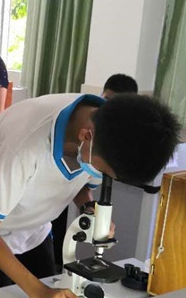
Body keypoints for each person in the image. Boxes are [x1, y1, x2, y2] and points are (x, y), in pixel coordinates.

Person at [0, 92, 180, 298]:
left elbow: (81, 181)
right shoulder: (24, 147)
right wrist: (41, 294)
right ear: (85, 136)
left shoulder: (107, 131)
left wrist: (88, 207)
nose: (101, 175)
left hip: (34, 227)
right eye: (103, 171)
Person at [51, 71, 140, 268]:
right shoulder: (72, 123)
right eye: (107, 100)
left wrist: (89, 209)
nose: (110, 111)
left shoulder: (107, 149)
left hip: (40, 227)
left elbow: (82, 186)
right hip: (4, 223)